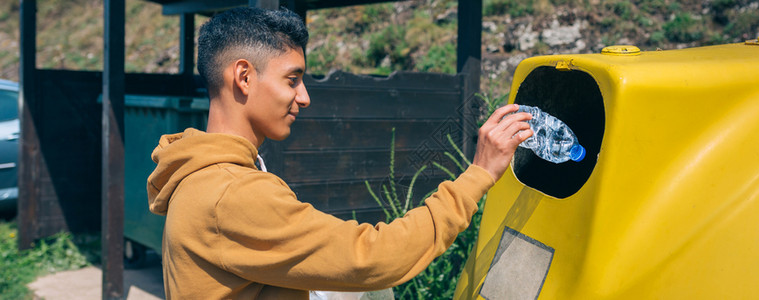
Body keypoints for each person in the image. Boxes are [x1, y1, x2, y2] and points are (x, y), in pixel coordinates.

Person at [146, 7, 533, 299]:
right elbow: (374, 258)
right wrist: (479, 173)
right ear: (244, 77)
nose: (304, 97)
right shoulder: (231, 194)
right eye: (292, 79)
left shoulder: (199, 173)